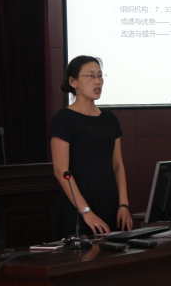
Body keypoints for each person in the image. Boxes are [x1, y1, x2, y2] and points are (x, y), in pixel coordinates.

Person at [50, 55, 132, 238]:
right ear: (73, 82)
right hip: (78, 208)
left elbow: (118, 165)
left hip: (109, 203)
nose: (97, 81)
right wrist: (85, 211)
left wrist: (123, 204)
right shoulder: (63, 119)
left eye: (100, 76)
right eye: (90, 76)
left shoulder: (110, 118)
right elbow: (61, 170)